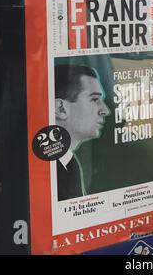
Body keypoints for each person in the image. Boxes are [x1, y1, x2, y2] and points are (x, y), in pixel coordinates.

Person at [54, 64, 110, 201]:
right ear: (61, 109)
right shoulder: (53, 170)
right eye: (94, 99)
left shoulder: (66, 164)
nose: (105, 110)